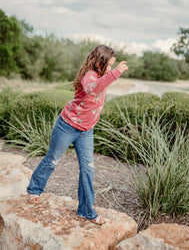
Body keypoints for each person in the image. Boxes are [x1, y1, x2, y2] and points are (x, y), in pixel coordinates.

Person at [27, 44, 128, 225]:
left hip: (86, 131)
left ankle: (86, 211)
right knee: (52, 159)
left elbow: (101, 86)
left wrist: (111, 73)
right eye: (109, 64)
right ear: (99, 62)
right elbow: (91, 88)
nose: (111, 69)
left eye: (113, 65)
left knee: (88, 169)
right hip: (67, 126)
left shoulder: (104, 75)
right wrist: (116, 73)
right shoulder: (90, 75)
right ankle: (34, 189)